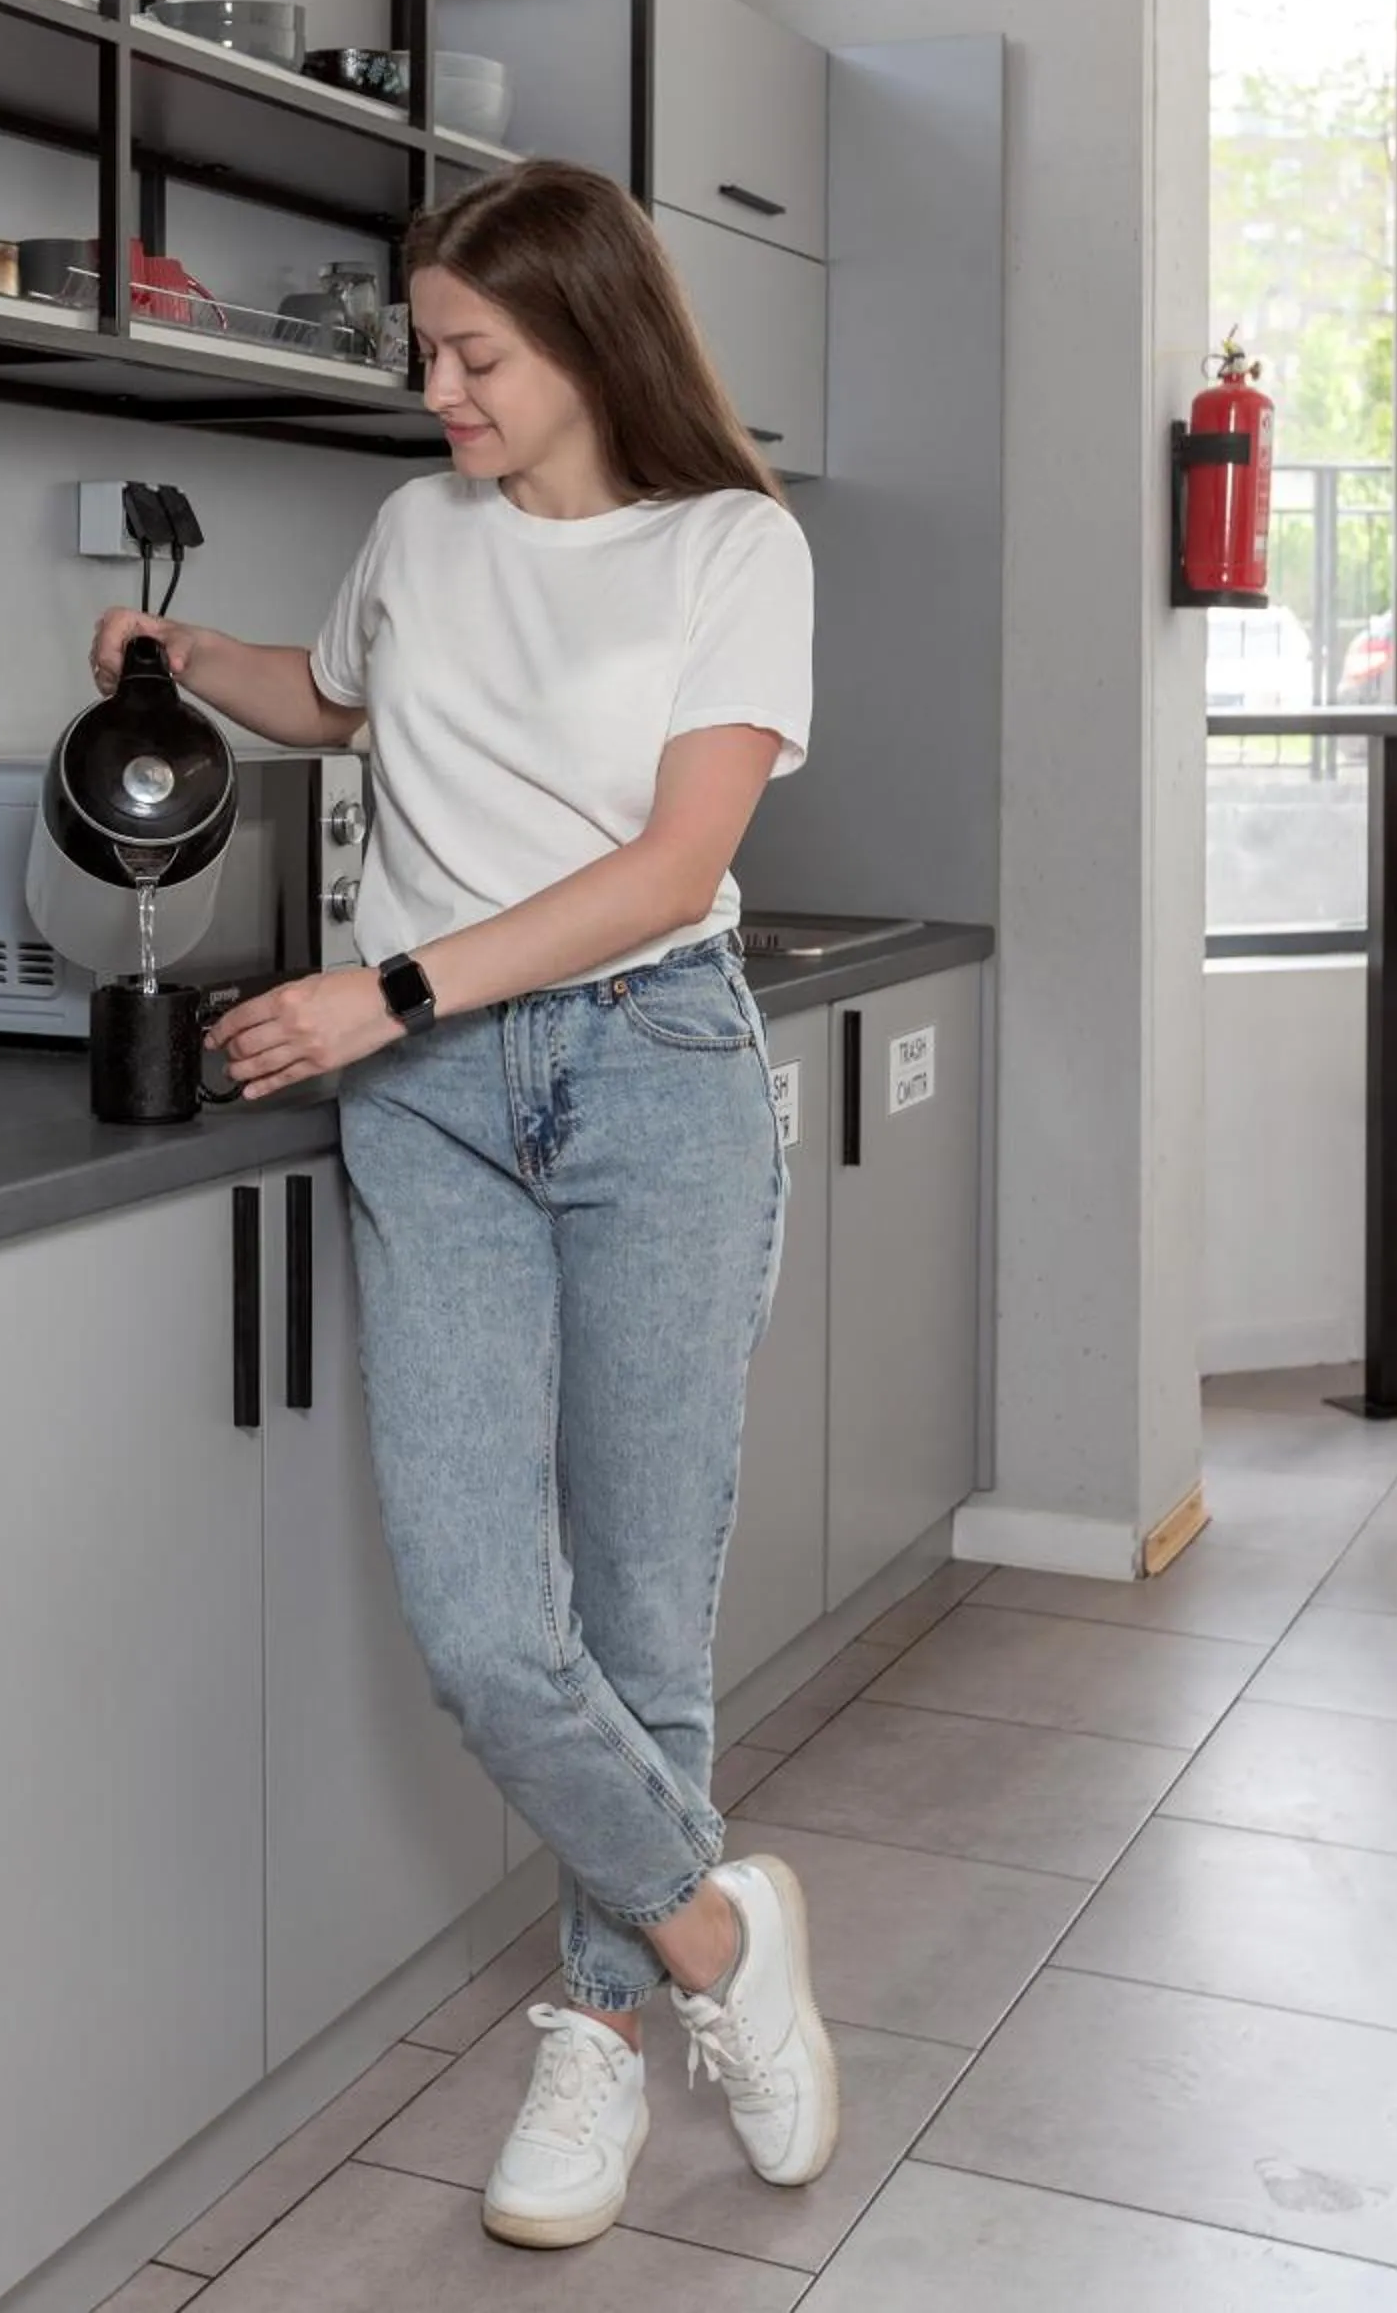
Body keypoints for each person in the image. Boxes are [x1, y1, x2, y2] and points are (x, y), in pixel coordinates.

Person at [89, 157, 836, 2251]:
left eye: (473, 354)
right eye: (424, 351)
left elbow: (672, 867)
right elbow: (340, 702)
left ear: (590, 339)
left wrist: (378, 989)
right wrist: (181, 651)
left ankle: (593, 2044)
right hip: (427, 1107)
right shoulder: (417, 529)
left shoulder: (730, 547)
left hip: (652, 1075)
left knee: (635, 1614)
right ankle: (717, 1942)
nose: (438, 392)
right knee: (487, 1628)